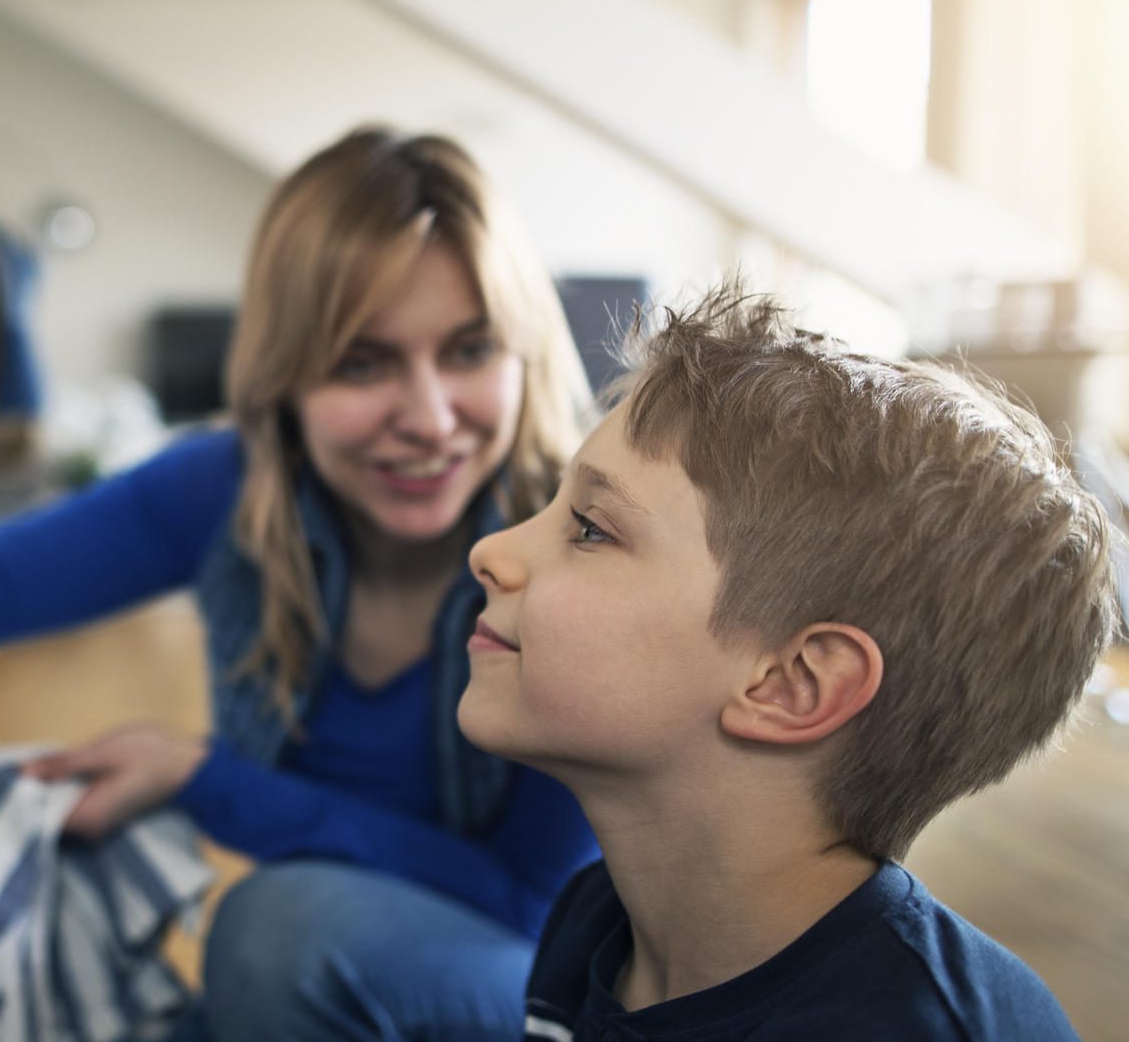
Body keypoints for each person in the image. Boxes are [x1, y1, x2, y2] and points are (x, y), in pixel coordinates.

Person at [0, 125, 600, 1037]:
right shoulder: (227, 488)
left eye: (469, 350)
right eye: (361, 362)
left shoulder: (582, 553)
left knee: (274, 931)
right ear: (284, 376)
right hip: (330, 970)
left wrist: (200, 779)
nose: (429, 416)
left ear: (524, 353)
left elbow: (531, 905)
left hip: (546, 989)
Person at [459, 282, 1119, 1040]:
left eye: (590, 529)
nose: (491, 553)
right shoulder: (594, 922)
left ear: (793, 683)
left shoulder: (922, 1028)